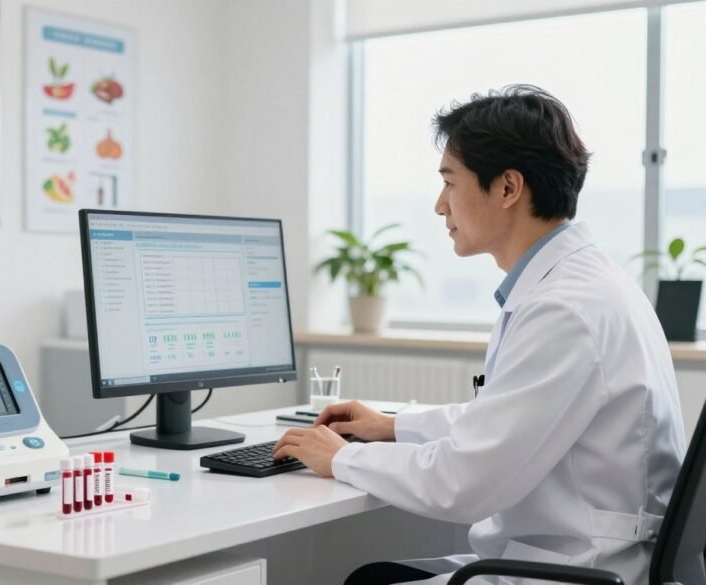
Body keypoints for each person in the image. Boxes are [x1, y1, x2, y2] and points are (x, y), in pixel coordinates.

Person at [273, 85, 694, 585]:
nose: (438, 205)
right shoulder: (583, 285)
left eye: (450, 182)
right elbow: (504, 422)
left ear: (508, 188)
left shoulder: (565, 309)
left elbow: (465, 482)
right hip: (581, 557)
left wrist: (343, 457)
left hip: (576, 572)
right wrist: (393, 426)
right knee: (374, 575)